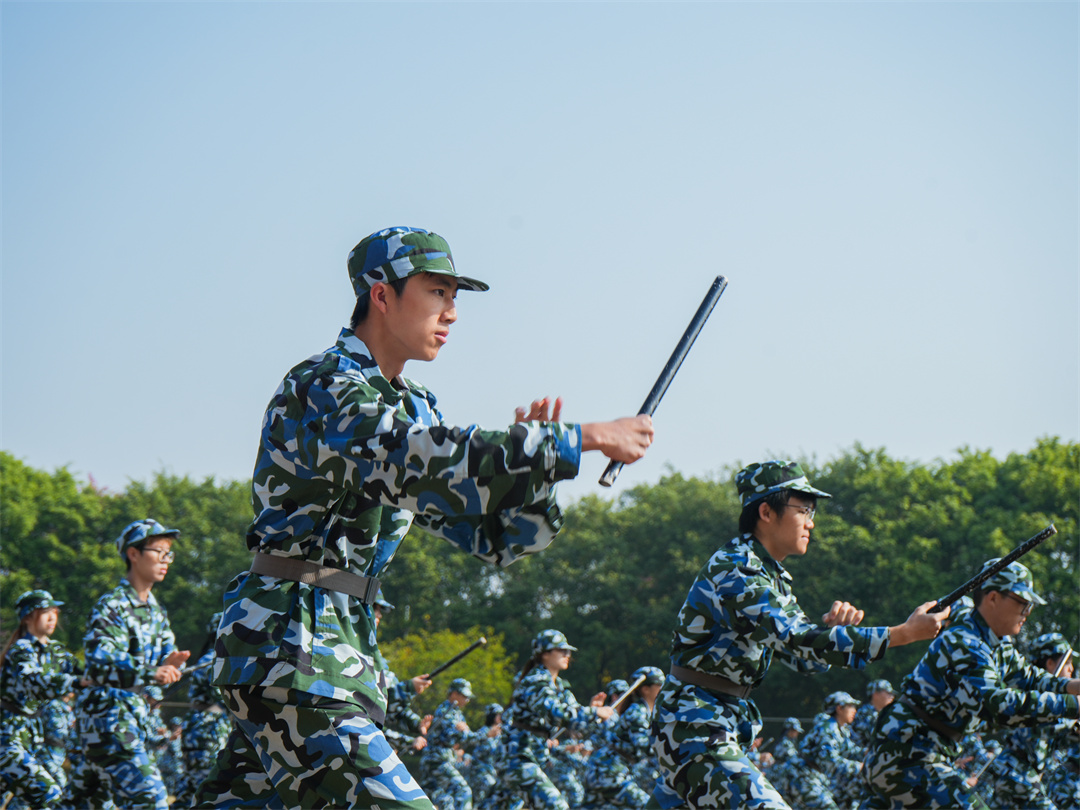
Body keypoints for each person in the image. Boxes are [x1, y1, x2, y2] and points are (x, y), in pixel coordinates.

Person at [194, 226, 653, 810]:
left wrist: (532, 479)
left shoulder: (414, 405)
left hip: (326, 654)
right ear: (381, 295)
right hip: (291, 650)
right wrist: (573, 440)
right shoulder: (324, 385)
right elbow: (412, 459)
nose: (452, 313)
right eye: (438, 292)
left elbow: (495, 540)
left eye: (454, 297)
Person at [650, 460, 950, 809]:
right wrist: (902, 634)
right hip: (695, 726)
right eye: (803, 509)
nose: (811, 522)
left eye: (813, 511)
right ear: (766, 511)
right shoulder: (738, 569)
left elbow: (804, 659)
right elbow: (799, 639)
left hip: (713, 723)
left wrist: (833, 633)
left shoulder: (770, 575)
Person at [862, 558, 1080, 809]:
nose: (1027, 612)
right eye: (1022, 603)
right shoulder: (967, 643)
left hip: (920, 752)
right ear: (993, 598)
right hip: (907, 754)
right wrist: (1073, 705)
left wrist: (1073, 687)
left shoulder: (996, 642)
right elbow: (1000, 706)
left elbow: (1029, 677)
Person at [65, 519, 190, 810]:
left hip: (131, 719)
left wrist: (171, 666)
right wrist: (152, 671)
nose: (166, 560)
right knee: (152, 800)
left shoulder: (156, 611)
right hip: (108, 720)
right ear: (133, 554)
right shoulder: (113, 605)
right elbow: (99, 661)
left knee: (85, 804)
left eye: (169, 554)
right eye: (159, 552)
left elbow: (165, 658)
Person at [487, 629, 614, 810]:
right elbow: (556, 714)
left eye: (568, 651)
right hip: (517, 757)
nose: (567, 655)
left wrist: (592, 712)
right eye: (562, 650)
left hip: (532, 757)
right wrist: (594, 713)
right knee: (557, 807)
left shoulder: (559, 687)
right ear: (545, 653)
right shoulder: (536, 681)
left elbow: (577, 723)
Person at [0, 589, 81, 809]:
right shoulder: (21, 650)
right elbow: (34, 681)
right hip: (7, 741)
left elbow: (90, 671)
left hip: (30, 741)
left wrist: (141, 674)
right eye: (45, 612)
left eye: (54, 611)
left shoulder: (57, 652)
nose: (52, 617)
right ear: (27, 617)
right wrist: (76, 682)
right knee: (50, 795)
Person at [980, 632, 1077, 810]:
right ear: (1050, 663)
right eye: (1067, 663)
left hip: (1022, 777)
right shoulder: (1039, 699)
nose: (1071, 669)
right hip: (1016, 776)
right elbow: (1051, 725)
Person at [418, 678, 489, 810]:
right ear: (454, 694)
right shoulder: (446, 711)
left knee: (443, 800)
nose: (467, 700)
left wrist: (465, 731)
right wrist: (485, 733)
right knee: (463, 790)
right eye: (464, 696)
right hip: (437, 761)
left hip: (443, 759)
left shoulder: (456, 712)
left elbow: (463, 737)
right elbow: (457, 736)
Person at [789, 691, 862, 810]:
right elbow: (829, 762)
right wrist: (859, 767)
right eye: (851, 706)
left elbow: (851, 751)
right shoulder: (828, 728)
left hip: (817, 778)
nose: (855, 710)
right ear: (839, 708)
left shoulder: (841, 729)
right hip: (802, 777)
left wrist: (870, 753)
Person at [851, 679, 895, 750]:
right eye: (888, 693)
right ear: (876, 694)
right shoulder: (866, 714)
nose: (892, 696)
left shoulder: (882, 713)